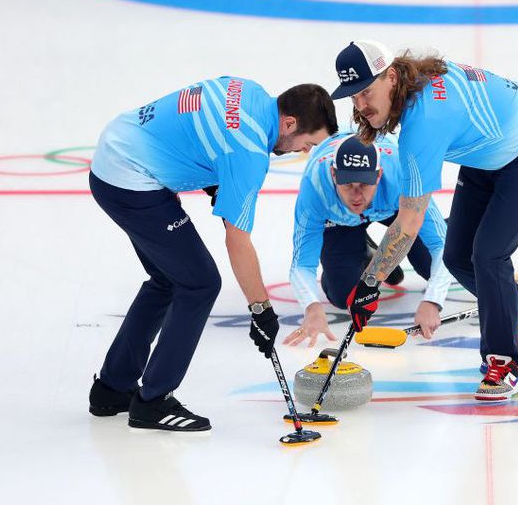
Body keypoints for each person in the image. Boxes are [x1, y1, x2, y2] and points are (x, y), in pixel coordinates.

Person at [331, 40, 518, 402]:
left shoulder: (424, 124)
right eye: (353, 97)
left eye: (366, 92)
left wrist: (370, 282)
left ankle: (504, 363)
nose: (360, 105)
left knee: (489, 254)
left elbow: (408, 222)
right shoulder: (414, 83)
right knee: (457, 256)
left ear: (391, 77)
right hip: (492, 152)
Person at [87, 77, 338, 431]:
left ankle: (112, 388)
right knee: (200, 283)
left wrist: (213, 175)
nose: (302, 152)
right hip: (130, 179)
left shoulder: (247, 90)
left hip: (116, 151)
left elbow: (199, 121)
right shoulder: (249, 153)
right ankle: (153, 402)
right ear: (289, 123)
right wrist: (260, 309)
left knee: (167, 279)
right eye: (306, 144)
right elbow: (237, 240)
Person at [281, 133, 452, 347]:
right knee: (344, 296)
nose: (356, 196)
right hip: (341, 224)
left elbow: (441, 245)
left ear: (379, 175)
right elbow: (301, 264)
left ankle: (459, 228)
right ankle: (368, 253)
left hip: (397, 210)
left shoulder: (402, 175)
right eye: (347, 184)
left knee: (437, 264)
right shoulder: (315, 188)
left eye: (364, 184)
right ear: (334, 174)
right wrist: (312, 307)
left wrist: (433, 301)